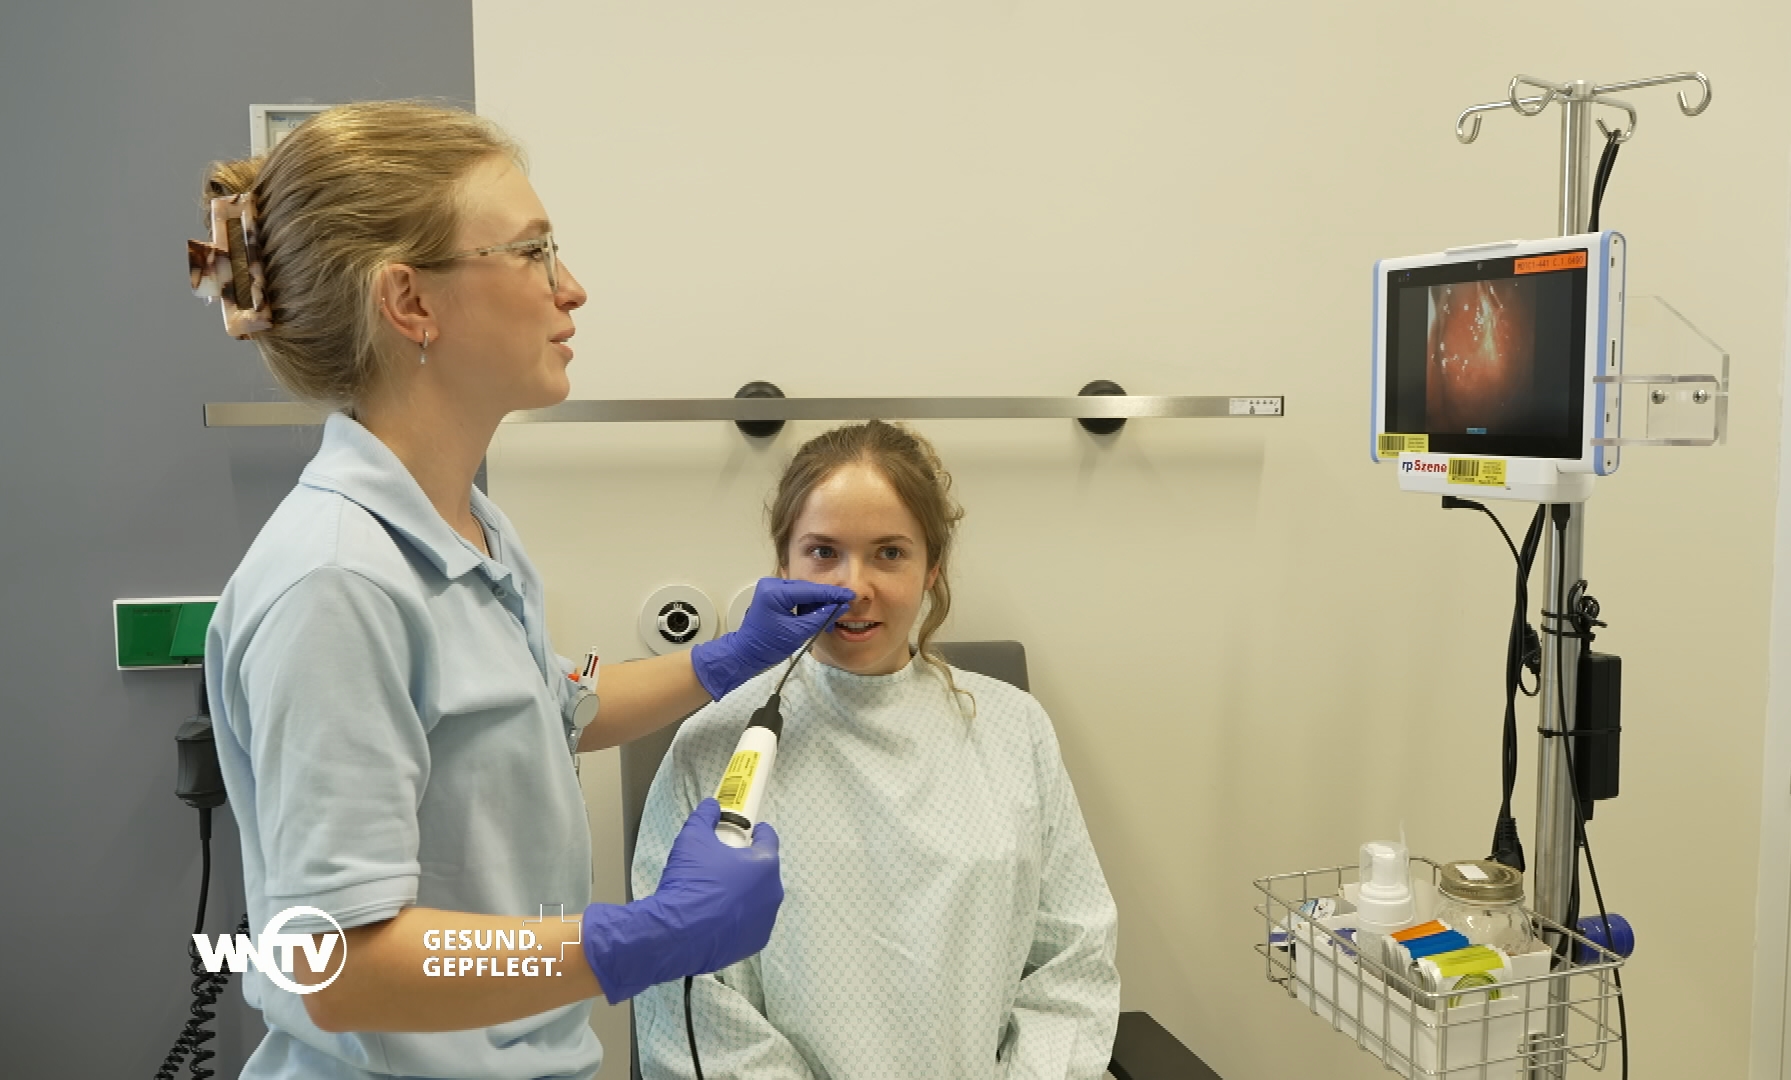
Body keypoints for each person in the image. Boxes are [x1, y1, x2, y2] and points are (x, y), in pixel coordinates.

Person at [192, 101, 851, 1080]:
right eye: (535, 252)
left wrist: (721, 660)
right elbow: (337, 968)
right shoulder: (336, 586)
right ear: (410, 302)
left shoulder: (468, 528)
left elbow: (550, 700)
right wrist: (639, 939)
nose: (571, 288)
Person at [631, 420, 1121, 1080]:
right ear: (783, 568)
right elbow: (685, 998)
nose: (854, 586)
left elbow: (1073, 961)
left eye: (889, 553)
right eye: (823, 552)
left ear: (931, 570)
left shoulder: (1014, 728)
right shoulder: (717, 744)